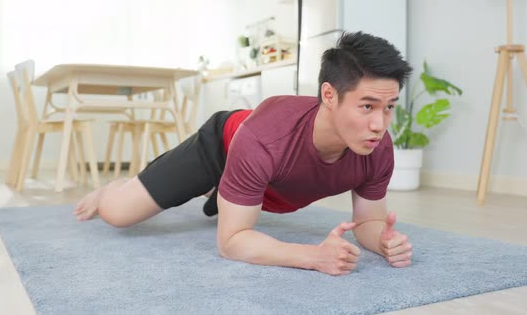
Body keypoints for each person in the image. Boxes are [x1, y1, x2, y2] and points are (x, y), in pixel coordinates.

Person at [74, 31, 413, 276]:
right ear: (328, 95)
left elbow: (369, 219)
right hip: (220, 148)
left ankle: (220, 192)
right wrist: (312, 256)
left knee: (239, 196)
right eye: (367, 106)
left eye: (389, 108)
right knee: (117, 213)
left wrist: (383, 242)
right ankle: (113, 188)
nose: (379, 124)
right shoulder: (266, 137)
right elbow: (232, 241)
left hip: (263, 177)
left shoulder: (377, 148)